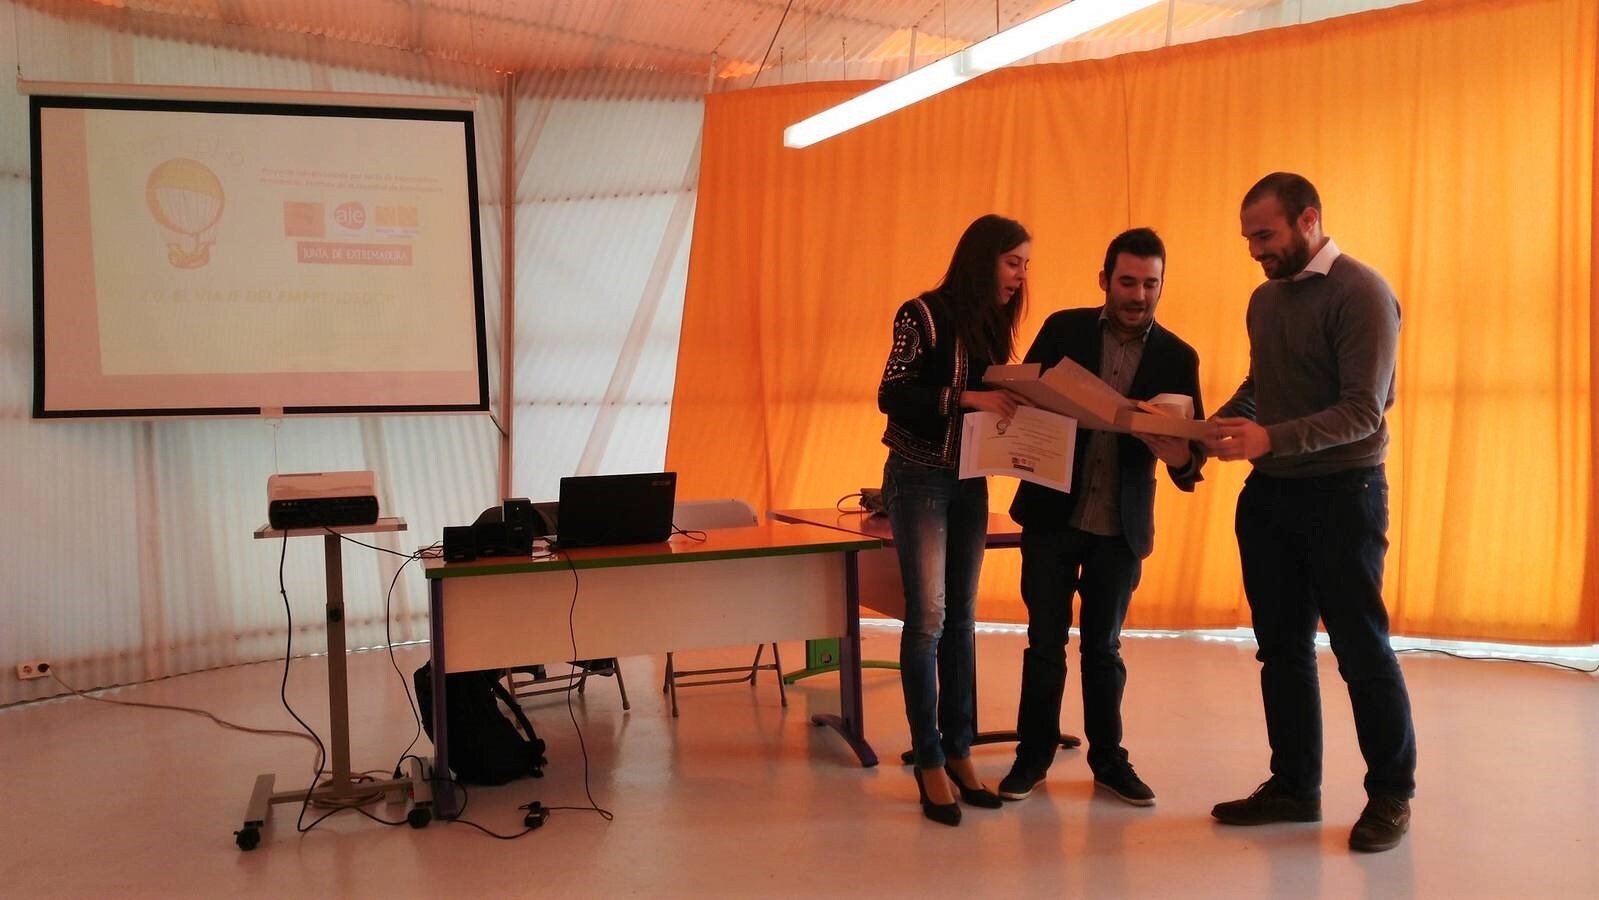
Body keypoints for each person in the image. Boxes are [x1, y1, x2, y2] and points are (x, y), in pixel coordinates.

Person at [1207, 172, 1417, 853]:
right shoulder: (1264, 300)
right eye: (1247, 239)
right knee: (1282, 652)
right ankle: (1294, 786)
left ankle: (1390, 794)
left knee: (1360, 649)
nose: (1254, 251)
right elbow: (1261, 385)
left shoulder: (1361, 293)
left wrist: (1269, 437)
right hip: (1271, 498)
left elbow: (1363, 410)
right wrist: (1218, 425)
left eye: (1263, 236)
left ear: (1307, 219)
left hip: (1342, 496)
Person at [997, 227, 1206, 806]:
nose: (1140, 294)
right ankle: (1031, 756)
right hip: (1050, 517)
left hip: (1121, 527)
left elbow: (1191, 462)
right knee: (1044, 642)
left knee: (1103, 648)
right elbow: (1024, 406)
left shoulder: (1177, 357)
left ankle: (1109, 760)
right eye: (1128, 281)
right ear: (1105, 280)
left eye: (1151, 283)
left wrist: (1181, 455)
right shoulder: (1062, 330)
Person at [877, 213, 1029, 826]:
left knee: (964, 619)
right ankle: (930, 759)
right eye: (1012, 262)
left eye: (1024, 265)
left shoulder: (992, 324)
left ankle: (962, 750)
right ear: (983, 258)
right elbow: (892, 392)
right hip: (918, 479)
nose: (1021, 276)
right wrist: (968, 398)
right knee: (929, 619)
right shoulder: (921, 313)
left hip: (972, 480)